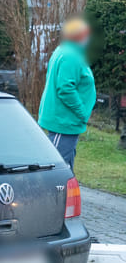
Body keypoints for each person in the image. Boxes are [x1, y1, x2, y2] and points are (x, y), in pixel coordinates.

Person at [37, 17, 97, 169]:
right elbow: (65, 89)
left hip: (66, 120)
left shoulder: (65, 51)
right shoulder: (70, 56)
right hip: (64, 121)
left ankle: (67, 193)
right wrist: (82, 113)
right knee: (57, 169)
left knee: (65, 169)